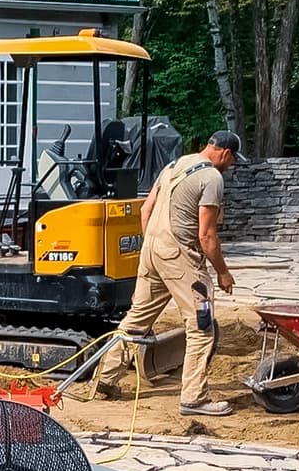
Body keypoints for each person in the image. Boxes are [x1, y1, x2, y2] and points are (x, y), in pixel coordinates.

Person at [98, 130, 248, 416]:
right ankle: (194, 398)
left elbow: (145, 209)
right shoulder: (212, 178)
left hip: (151, 251)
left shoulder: (173, 165)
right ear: (226, 153)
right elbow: (206, 236)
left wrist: (153, 247)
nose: (231, 167)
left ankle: (106, 378)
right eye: (232, 161)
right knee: (202, 326)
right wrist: (223, 273)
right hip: (179, 257)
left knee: (136, 319)